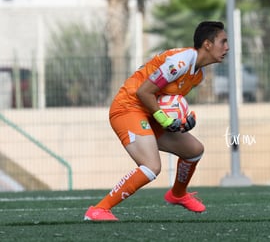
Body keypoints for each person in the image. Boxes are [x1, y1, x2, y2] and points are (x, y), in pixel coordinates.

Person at [84, 21, 229, 221]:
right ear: (207, 44)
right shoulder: (180, 62)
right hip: (128, 108)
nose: (227, 47)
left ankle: (177, 195)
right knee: (151, 167)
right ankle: (98, 210)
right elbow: (144, 92)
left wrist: (186, 120)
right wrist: (164, 119)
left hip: (148, 112)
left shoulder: (198, 75)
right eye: (223, 41)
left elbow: (169, 101)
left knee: (194, 151)